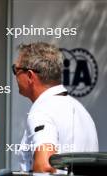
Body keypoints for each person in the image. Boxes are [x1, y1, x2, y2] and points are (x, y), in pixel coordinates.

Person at [12, 42, 98, 173]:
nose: (15, 76)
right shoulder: (81, 110)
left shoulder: (42, 111)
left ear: (30, 76)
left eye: (15, 70)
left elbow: (45, 167)